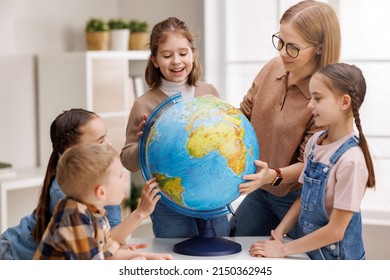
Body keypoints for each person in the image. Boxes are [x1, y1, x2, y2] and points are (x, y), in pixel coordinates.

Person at [229, 0, 341, 238]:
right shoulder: (273, 67)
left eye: (293, 47)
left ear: (319, 48)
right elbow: (244, 114)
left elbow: (307, 163)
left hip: (300, 197)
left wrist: (272, 175)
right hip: (262, 189)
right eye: (280, 41)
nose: (282, 52)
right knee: (233, 241)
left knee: (303, 262)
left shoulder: (324, 98)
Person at [249, 63, 375, 260]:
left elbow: (336, 231)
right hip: (312, 256)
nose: (310, 105)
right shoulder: (315, 143)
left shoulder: (352, 162)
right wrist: (279, 233)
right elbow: (304, 198)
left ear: (344, 102)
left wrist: (283, 250)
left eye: (317, 98)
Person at [120, 17, 230, 238]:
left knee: (219, 252)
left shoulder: (208, 92)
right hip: (168, 200)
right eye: (167, 55)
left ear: (193, 54)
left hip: (211, 195)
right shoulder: (144, 104)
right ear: (155, 60)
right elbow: (127, 161)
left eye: (183, 53)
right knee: (175, 260)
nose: (176, 61)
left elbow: (224, 141)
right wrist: (144, 143)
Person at [0, 109, 156, 259]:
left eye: (106, 136)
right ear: (75, 153)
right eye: (100, 141)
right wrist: (141, 212)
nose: (109, 144)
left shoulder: (104, 178)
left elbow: (108, 241)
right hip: (14, 255)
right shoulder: (67, 196)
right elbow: (100, 249)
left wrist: (124, 252)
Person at [33, 143, 172, 260]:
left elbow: (109, 253)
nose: (125, 177)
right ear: (101, 192)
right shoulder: (75, 218)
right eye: (120, 175)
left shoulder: (95, 212)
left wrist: (145, 256)